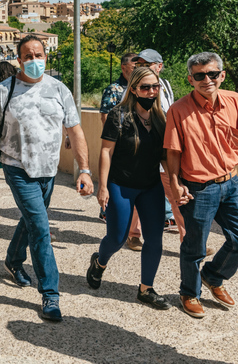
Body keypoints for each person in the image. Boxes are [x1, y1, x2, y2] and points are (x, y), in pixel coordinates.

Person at [0, 34, 94, 322]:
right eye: (27, 56)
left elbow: (76, 131)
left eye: (38, 55)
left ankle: (13, 260)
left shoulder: (59, 89)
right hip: (17, 168)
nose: (34, 60)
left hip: (49, 171)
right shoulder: (5, 90)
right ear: (19, 60)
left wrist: (85, 170)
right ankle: (50, 294)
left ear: (46, 57)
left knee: (31, 221)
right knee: (41, 228)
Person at [164, 52, 238, 319]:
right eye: (200, 75)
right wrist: (175, 184)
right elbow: (173, 152)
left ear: (222, 75)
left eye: (212, 74)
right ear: (190, 79)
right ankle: (189, 293)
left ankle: (213, 276)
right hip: (198, 189)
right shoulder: (178, 110)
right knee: (194, 247)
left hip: (230, 183)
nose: (207, 80)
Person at [86, 67, 170, 310]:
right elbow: (106, 151)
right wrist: (103, 187)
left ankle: (146, 289)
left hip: (151, 186)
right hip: (121, 185)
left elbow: (164, 155)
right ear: (133, 89)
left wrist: (175, 182)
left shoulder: (159, 117)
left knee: (154, 238)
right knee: (117, 237)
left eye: (155, 87)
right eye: (145, 87)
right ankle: (100, 263)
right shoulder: (118, 115)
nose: (151, 92)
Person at [134, 49, 185, 240]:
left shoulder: (165, 85)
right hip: (144, 149)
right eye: (139, 65)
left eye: (147, 64)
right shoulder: (135, 87)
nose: (142, 68)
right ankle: (133, 234)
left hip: (164, 148)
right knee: (139, 193)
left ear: (159, 66)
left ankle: (188, 238)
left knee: (175, 192)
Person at [99, 53, 142, 248]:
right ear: (124, 67)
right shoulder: (114, 90)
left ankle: (133, 233)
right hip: (119, 151)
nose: (139, 69)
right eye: (135, 65)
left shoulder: (144, 88)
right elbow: (106, 120)